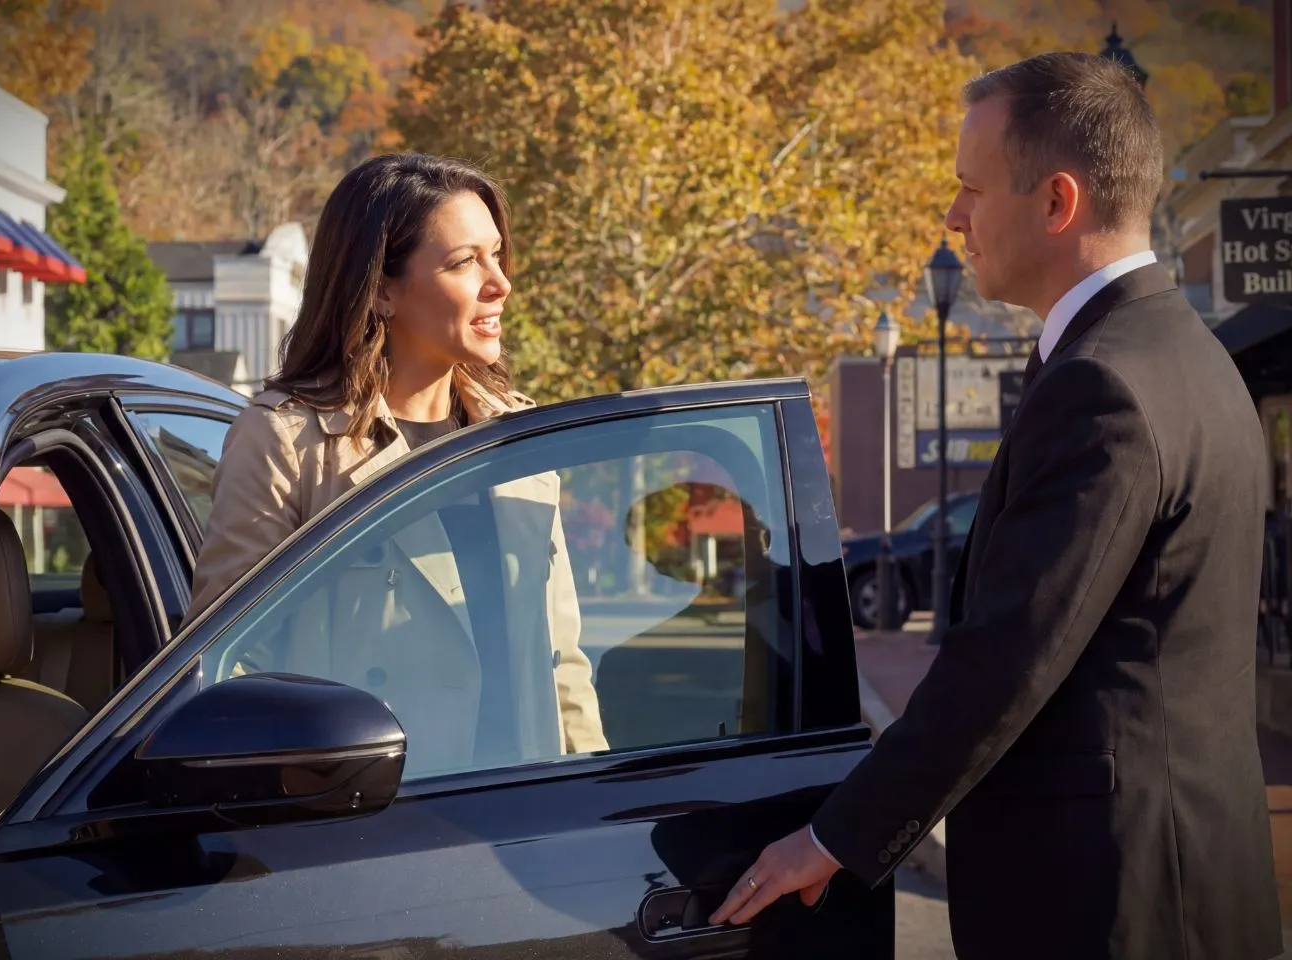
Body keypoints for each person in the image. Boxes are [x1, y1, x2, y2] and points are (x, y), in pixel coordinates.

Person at [711, 52, 1281, 960]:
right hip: (1183, 874)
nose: (953, 217)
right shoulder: (1187, 355)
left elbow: (1006, 660)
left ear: (1058, 203)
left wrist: (830, 840)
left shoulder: (1105, 386)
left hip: (1110, 904)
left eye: (970, 189)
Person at [187, 153, 607, 775]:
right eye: (465, 261)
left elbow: (560, 656)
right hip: (374, 823)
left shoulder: (519, 433)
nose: (501, 283)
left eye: (497, 255)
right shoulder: (288, 440)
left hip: (524, 814)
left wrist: (596, 792)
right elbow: (227, 665)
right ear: (381, 287)